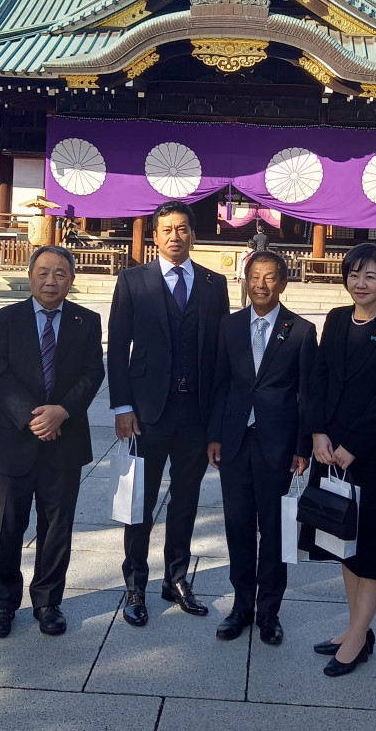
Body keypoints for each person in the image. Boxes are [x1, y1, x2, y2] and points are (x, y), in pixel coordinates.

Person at [108, 200, 230, 627]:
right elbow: (117, 346)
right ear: (155, 237)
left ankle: (176, 578)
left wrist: (218, 419)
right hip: (146, 412)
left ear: (192, 234)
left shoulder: (215, 284)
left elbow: (220, 356)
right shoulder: (132, 280)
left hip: (195, 413)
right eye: (166, 230)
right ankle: (135, 583)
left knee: (186, 499)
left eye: (182, 228)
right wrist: (122, 406)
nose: (174, 236)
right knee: (138, 500)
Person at [300, 242, 376, 677]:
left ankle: (360, 637)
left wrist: (354, 445)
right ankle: (355, 629)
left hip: (369, 455)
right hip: (329, 449)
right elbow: (318, 379)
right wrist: (318, 432)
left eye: (370, 275)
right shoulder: (334, 320)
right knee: (342, 542)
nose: (359, 283)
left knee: (372, 546)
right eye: (353, 274)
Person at [0, 245, 104, 638]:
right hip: (13, 439)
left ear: (72, 279)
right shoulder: (3, 319)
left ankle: (49, 602)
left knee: (57, 526)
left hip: (64, 440)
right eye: (44, 272)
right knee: (6, 526)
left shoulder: (88, 321)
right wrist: (34, 417)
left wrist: (62, 412)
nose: (52, 280)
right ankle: (2, 604)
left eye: (61, 274)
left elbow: (93, 372)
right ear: (31, 275)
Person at [208, 250, 316, 646]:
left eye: (270, 277)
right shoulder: (230, 326)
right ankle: (241, 607)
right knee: (238, 527)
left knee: (274, 529)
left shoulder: (301, 330)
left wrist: (302, 445)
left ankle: (269, 611)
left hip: (278, 444)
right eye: (255, 276)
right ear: (245, 280)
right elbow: (221, 383)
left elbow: (307, 394)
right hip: (236, 442)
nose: (261, 284)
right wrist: (215, 435)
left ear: (283, 283)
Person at [235, 239, 256, 307]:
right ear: (255, 246)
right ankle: (249, 306)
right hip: (253, 277)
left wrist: (238, 276)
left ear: (247, 245)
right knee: (251, 292)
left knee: (243, 292)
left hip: (244, 275)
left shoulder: (243, 254)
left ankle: (243, 305)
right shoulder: (256, 255)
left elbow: (239, 266)